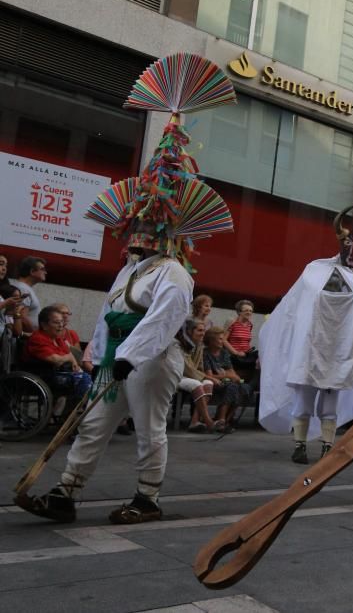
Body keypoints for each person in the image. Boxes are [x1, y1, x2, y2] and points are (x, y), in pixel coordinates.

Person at [18, 52, 236, 524]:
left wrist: (128, 358)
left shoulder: (174, 273)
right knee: (92, 425)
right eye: (134, 224)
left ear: (164, 231)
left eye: (144, 224)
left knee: (149, 428)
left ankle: (148, 498)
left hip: (150, 361)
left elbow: (163, 321)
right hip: (115, 359)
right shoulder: (130, 270)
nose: (135, 231)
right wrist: (98, 355)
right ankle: (65, 493)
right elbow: (105, 315)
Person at [257, 216, 353, 464]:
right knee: (303, 403)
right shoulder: (313, 274)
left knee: (329, 407)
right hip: (310, 350)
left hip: (338, 353)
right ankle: (300, 445)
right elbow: (297, 310)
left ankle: (327, 446)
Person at [23, 305, 92, 405]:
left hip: (58, 374)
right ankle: (81, 411)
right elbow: (55, 359)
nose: (61, 325)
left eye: (61, 322)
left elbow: (70, 354)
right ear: (44, 325)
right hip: (42, 376)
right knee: (84, 380)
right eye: (56, 322)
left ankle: (75, 412)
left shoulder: (57, 338)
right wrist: (68, 358)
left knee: (89, 379)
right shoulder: (38, 338)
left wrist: (73, 362)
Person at [202, 326, 251, 432]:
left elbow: (231, 371)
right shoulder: (206, 354)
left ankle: (227, 419)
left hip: (226, 381)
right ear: (211, 340)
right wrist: (227, 376)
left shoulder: (224, 353)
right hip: (214, 382)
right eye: (220, 339)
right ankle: (222, 420)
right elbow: (210, 375)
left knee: (245, 388)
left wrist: (236, 378)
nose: (223, 341)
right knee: (231, 387)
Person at [177, 319, 215, 433]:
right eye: (199, 330)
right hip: (178, 375)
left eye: (204, 330)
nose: (203, 333)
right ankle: (208, 421)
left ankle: (195, 421)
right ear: (189, 331)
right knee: (197, 384)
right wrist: (206, 377)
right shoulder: (179, 345)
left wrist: (207, 377)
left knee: (208, 384)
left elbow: (200, 367)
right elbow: (186, 368)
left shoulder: (199, 345)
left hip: (192, 376)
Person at [8, 255, 46, 332]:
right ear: (32, 271)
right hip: (25, 338)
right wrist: (36, 334)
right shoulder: (23, 289)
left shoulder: (26, 288)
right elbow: (22, 316)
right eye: (42, 269)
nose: (45, 272)